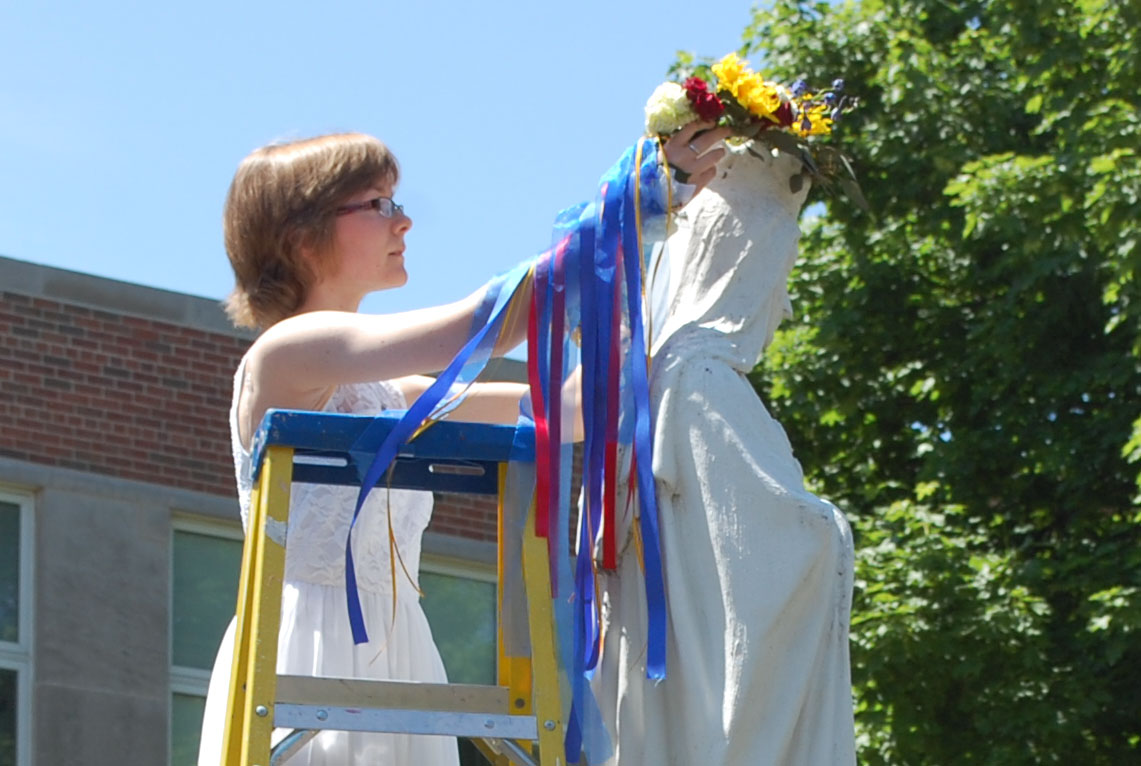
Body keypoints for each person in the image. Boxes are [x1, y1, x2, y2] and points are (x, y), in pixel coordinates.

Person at [197, 124, 728, 766]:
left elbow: (568, 411)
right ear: (300, 235)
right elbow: (479, 326)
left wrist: (624, 293)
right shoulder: (286, 352)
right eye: (380, 204)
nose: (405, 222)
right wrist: (625, 209)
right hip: (305, 649)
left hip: (402, 652)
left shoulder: (393, 392)